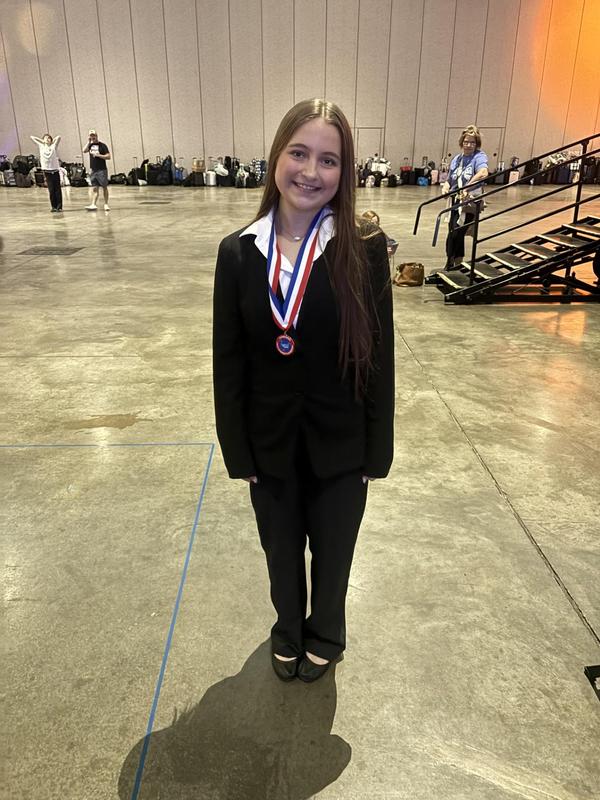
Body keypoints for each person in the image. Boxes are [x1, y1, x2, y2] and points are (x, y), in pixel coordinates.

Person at [213, 99, 395, 684]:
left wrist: (376, 451)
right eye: (299, 153)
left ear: (345, 173)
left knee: (334, 554)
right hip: (269, 446)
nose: (310, 172)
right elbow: (229, 364)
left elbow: (379, 358)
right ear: (276, 157)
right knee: (281, 551)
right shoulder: (239, 252)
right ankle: (288, 628)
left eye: (329, 160)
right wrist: (237, 452)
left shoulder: (362, 248)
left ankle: (326, 633)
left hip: (342, 445)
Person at [441, 125, 488, 269]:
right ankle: (456, 263)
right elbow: (450, 179)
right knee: (453, 232)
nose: (469, 145)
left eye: (472, 142)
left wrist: (467, 187)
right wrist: (446, 187)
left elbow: (483, 173)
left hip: (469, 202)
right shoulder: (457, 159)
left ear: (477, 144)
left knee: (456, 233)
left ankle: (450, 263)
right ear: (462, 142)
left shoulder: (479, 157)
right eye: (466, 142)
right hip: (455, 201)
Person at [30, 133, 62, 212]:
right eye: (45, 138)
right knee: (51, 190)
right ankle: (53, 207)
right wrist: (43, 141)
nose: (47, 139)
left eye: (49, 138)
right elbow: (32, 137)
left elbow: (58, 137)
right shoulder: (41, 146)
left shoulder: (53, 146)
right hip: (47, 171)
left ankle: (59, 207)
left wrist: (51, 141)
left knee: (57, 189)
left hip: (55, 170)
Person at [83, 129, 111, 211]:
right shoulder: (90, 146)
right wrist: (88, 142)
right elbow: (84, 150)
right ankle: (93, 204)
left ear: (96, 136)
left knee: (104, 187)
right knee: (95, 188)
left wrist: (99, 155)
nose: (92, 137)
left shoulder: (102, 145)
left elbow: (108, 156)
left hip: (101, 169)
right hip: (93, 170)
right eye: (91, 136)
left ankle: (106, 204)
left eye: (94, 135)